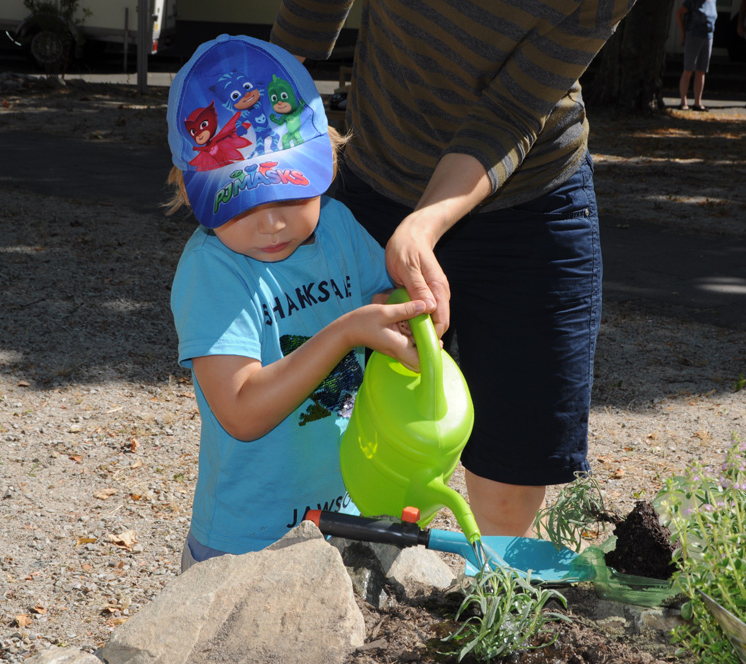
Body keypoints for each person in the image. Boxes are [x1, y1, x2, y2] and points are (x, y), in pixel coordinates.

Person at [272, 0, 630, 539]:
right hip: (381, 171)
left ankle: (497, 592)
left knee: (509, 484)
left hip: (531, 199)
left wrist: (424, 224)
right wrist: (266, 91)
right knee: (343, 438)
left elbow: (512, 108)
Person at [163, 34, 426, 571]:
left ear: (327, 159)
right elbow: (241, 410)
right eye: (242, 202)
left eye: (290, 192)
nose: (272, 222)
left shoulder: (337, 228)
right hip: (245, 542)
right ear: (191, 193)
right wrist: (348, 332)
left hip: (348, 514)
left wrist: (411, 312)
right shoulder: (214, 270)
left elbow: (385, 298)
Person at [677, 0, 719, 111]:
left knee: (701, 70)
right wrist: (683, 34)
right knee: (688, 69)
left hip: (708, 37)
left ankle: (697, 102)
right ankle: (683, 101)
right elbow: (679, 13)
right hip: (693, 35)